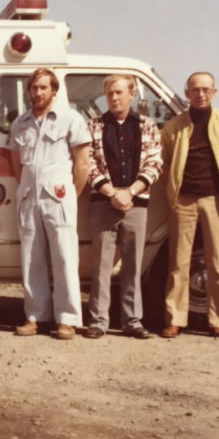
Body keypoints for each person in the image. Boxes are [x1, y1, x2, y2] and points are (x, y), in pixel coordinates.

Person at [4, 68, 91, 340]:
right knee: (32, 259)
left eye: (44, 88)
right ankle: (35, 316)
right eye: (34, 88)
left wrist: (70, 194)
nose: (38, 93)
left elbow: (83, 162)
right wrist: (30, 186)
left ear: (54, 90)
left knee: (65, 257)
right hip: (30, 197)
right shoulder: (21, 122)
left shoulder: (70, 119)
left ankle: (67, 319)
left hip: (59, 198)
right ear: (29, 91)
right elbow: (15, 164)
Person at [160, 73, 219, 339]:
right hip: (183, 200)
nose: (200, 94)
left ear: (215, 92)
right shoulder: (173, 128)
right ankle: (175, 319)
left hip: (215, 200)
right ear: (186, 93)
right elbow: (164, 165)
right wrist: (174, 190)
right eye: (195, 89)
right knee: (178, 263)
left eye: (206, 89)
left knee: (217, 262)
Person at [84, 75, 163, 339]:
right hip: (103, 203)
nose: (114, 98)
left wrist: (130, 192)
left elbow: (155, 163)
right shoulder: (93, 126)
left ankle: (132, 321)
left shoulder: (147, 126)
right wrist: (111, 193)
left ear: (132, 94)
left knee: (133, 265)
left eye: (119, 92)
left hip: (136, 204)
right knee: (102, 266)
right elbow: (89, 164)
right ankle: (98, 321)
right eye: (109, 94)